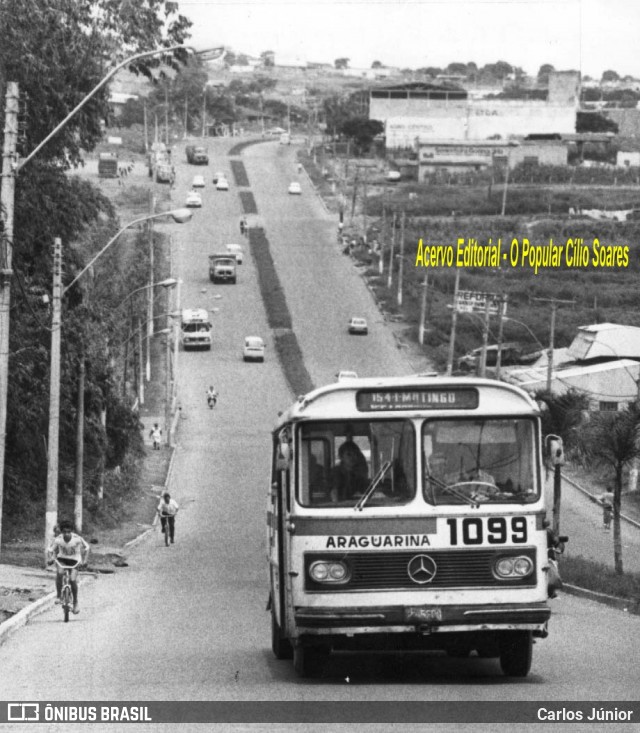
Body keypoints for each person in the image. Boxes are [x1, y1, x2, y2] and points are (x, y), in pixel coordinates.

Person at [48, 520, 90, 614]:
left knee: (72, 580)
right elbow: (51, 550)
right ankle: (58, 595)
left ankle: (75, 602)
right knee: (59, 573)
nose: (66, 534)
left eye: (68, 532)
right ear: (61, 532)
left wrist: (85, 561)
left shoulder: (77, 538)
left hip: (75, 561)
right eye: (64, 532)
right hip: (62, 559)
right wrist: (51, 559)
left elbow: (87, 548)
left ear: (71, 531)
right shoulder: (58, 539)